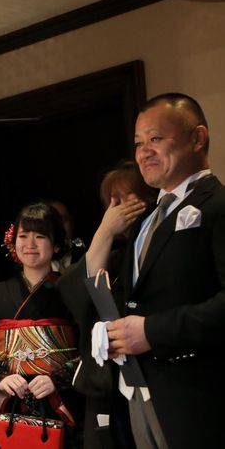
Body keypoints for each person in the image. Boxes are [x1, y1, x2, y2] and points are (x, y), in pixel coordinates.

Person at [103, 93, 225, 449]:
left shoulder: (218, 205)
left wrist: (151, 331)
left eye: (156, 139)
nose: (144, 153)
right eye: (138, 143)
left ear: (197, 138)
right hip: (142, 390)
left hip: (201, 396)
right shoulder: (145, 221)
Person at [0, 203, 80, 448]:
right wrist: (0, 379)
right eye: (23, 236)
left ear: (57, 244)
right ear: (13, 242)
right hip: (10, 398)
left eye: (40, 236)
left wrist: (57, 379)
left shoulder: (72, 293)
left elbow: (90, 349)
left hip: (55, 398)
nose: (30, 244)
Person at [58, 161, 153, 449]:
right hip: (108, 381)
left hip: (153, 372)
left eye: (126, 199)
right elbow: (80, 294)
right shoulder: (114, 257)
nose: (118, 211)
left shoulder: (158, 251)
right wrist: (105, 232)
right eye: (112, 203)